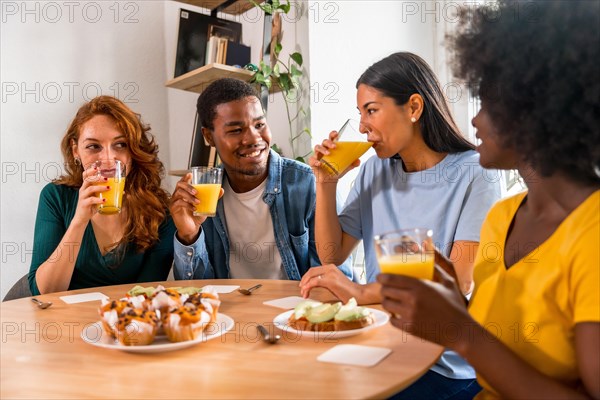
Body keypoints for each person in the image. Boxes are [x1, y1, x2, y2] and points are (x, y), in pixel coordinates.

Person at [379, 1, 600, 399]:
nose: (476, 121)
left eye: (489, 103)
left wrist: (459, 331)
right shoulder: (503, 216)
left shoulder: (593, 235)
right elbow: (493, 345)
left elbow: (473, 343)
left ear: (540, 108)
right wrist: (452, 306)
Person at [302, 52, 501, 399]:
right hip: (380, 342)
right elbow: (331, 254)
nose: (362, 126)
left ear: (413, 107)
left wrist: (363, 293)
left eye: (371, 110)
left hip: (444, 362)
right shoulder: (374, 171)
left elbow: (459, 277)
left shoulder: (475, 173)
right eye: (360, 114)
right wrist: (326, 183)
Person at [170, 78, 352, 280]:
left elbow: (335, 280)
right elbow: (197, 295)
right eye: (236, 130)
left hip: (295, 309)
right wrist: (189, 236)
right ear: (209, 137)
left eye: (259, 124)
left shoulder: (309, 184)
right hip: (228, 311)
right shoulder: (201, 197)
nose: (254, 139)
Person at [29, 96, 175, 295]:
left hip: (126, 323)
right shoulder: (56, 197)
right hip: (65, 323)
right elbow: (45, 291)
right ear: (76, 151)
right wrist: (79, 221)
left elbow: (144, 297)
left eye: (120, 144)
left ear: (133, 151)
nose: (107, 159)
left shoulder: (159, 210)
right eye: (93, 146)